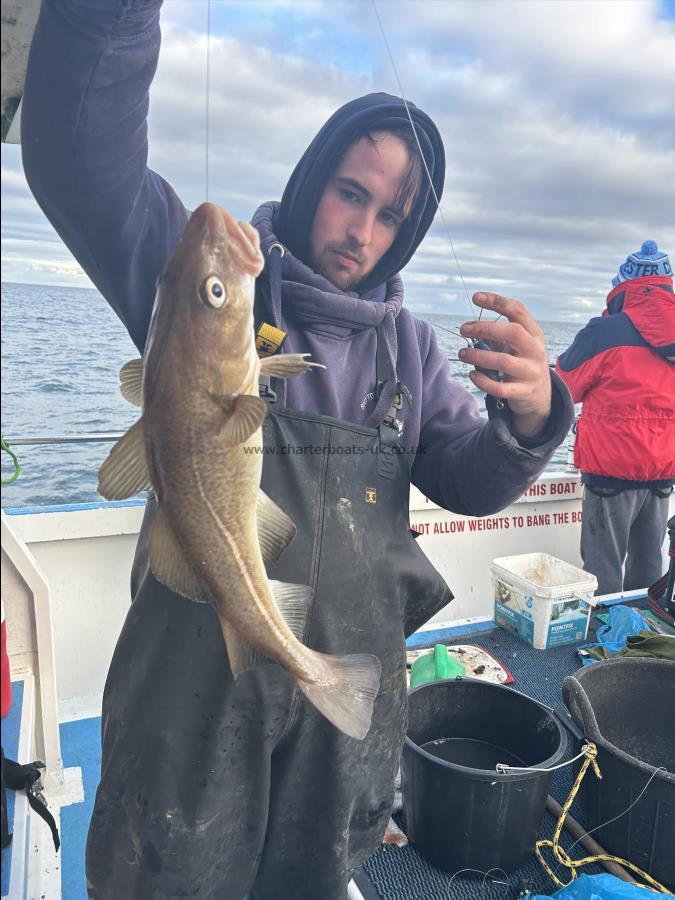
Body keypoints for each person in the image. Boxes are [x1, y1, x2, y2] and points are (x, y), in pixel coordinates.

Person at [21, 2, 573, 897]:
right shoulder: (202, 281)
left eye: (391, 215)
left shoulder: (411, 350)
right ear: (313, 176)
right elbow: (81, 161)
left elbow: (470, 482)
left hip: (337, 710)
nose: (362, 231)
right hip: (189, 701)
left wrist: (532, 419)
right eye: (350, 192)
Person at [556, 241, 675, 596]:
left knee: (602, 569)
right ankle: (647, 641)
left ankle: (605, 647)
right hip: (662, 473)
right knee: (650, 566)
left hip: (610, 471)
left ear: (621, 288)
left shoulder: (604, 333)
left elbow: (561, 390)